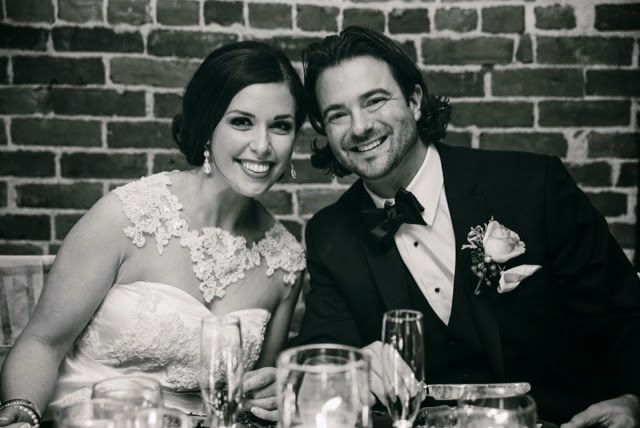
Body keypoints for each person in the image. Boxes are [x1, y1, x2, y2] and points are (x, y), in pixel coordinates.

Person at [291, 26, 640, 427]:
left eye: (375, 101)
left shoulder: (533, 186)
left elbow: (624, 314)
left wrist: (634, 400)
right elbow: (321, 358)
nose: (359, 127)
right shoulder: (330, 233)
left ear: (414, 101)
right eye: (337, 114)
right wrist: (346, 369)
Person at [0, 41, 307, 426]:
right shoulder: (126, 216)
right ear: (207, 124)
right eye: (241, 121)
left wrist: (272, 395)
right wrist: (24, 410)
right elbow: (43, 343)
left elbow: (255, 397)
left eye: (280, 126)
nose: (262, 146)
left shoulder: (286, 263)